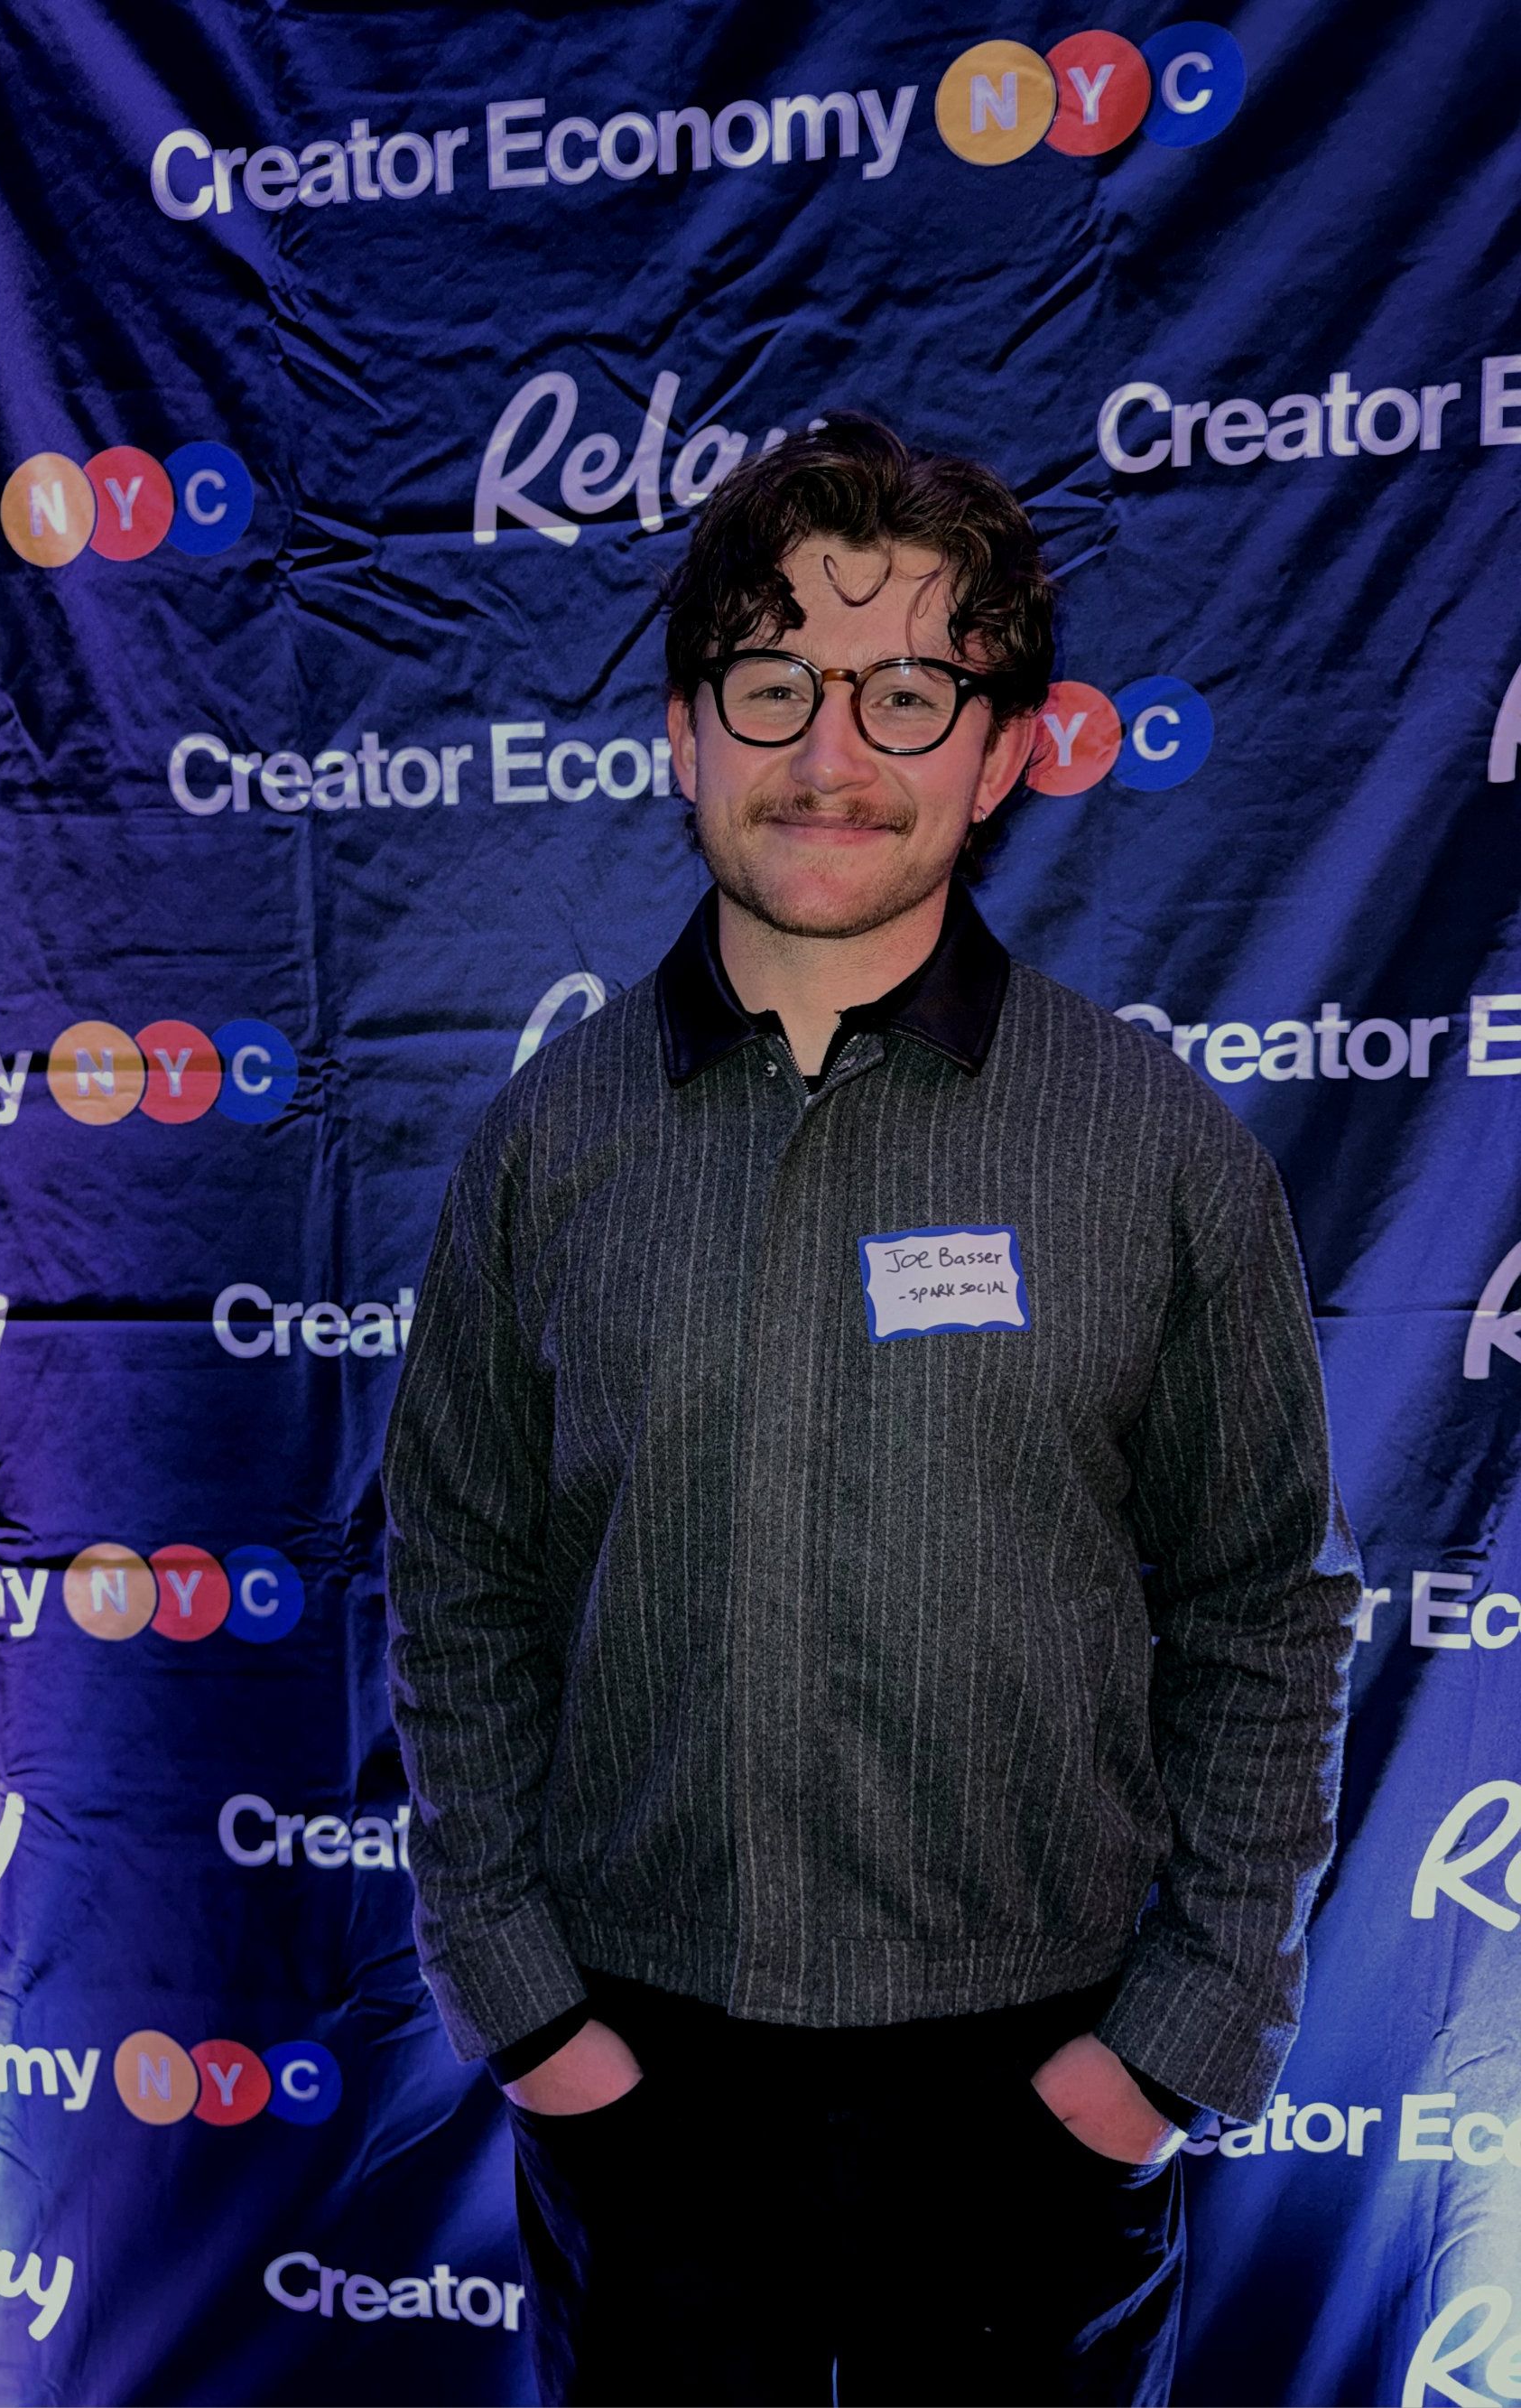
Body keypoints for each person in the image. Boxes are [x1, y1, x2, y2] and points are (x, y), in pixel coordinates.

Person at [382, 414, 1359, 2407]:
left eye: (906, 690)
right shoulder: (549, 1143)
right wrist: (527, 2009)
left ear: (1000, 751)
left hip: (1034, 2093)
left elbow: (1266, 1596)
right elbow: (456, 1568)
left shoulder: (1149, 1140)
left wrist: (1169, 2042)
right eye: (772, 683)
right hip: (638, 2080)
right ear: (681, 730)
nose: (832, 752)